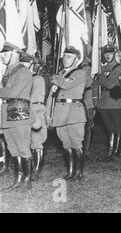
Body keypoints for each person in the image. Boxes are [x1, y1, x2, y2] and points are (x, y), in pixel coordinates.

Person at [46, 46, 87, 181]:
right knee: (66, 143)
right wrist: (48, 113)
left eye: (69, 56)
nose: (65, 59)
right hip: (60, 112)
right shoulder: (60, 74)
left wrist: (55, 77)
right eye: (64, 56)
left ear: (77, 60)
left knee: (76, 143)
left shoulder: (79, 73)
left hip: (74, 112)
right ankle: (70, 171)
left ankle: (79, 172)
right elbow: (52, 96)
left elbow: (66, 85)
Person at [0, 42, 33, 190]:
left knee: (23, 146)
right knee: (12, 147)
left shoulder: (23, 72)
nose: (2, 57)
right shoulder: (9, 72)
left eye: (5, 54)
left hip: (19, 111)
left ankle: (27, 179)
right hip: (7, 111)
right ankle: (18, 178)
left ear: (15, 55)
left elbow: (12, 93)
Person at [94, 45, 121, 158]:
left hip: (116, 100)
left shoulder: (119, 68)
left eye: (110, 53)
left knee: (118, 127)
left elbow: (109, 84)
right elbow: (95, 85)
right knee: (109, 128)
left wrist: (100, 77)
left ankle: (117, 151)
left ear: (115, 54)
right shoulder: (101, 68)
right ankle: (110, 150)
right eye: (106, 53)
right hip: (104, 101)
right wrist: (95, 99)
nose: (107, 55)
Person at [28, 54, 48, 181]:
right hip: (28, 109)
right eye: (32, 64)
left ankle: (36, 171)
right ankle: (30, 168)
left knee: (37, 141)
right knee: (29, 141)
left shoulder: (39, 78)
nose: (34, 67)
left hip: (37, 108)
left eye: (36, 64)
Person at [80, 57, 95, 156]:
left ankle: (85, 148)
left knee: (86, 126)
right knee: (87, 126)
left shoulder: (86, 69)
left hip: (87, 101)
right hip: (86, 101)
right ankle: (84, 148)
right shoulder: (86, 69)